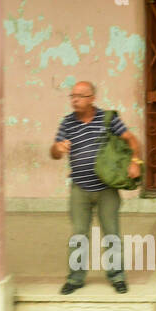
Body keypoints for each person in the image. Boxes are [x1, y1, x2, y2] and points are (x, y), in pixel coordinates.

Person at [50, 80, 143, 294]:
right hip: (79, 189)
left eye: (80, 96)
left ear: (92, 98)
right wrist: (57, 148)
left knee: (112, 234)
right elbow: (54, 154)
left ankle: (117, 276)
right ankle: (75, 278)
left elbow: (131, 139)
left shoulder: (108, 119)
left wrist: (135, 161)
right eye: (72, 96)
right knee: (78, 235)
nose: (75, 100)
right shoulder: (67, 123)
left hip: (106, 188)